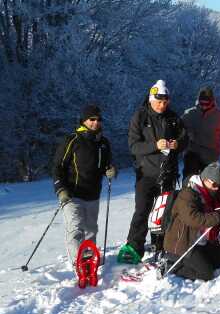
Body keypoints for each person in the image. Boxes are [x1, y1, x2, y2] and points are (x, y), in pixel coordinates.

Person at [122, 80, 188, 261]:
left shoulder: (174, 118)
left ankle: (161, 247)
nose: (162, 105)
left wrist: (177, 144)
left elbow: (185, 139)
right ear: (151, 100)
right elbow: (133, 146)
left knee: (164, 213)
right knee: (142, 211)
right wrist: (155, 145)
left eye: (165, 102)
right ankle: (134, 248)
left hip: (168, 173)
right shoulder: (140, 116)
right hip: (146, 174)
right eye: (159, 101)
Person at [52, 105, 116, 264]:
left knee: (91, 231)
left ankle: (90, 262)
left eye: (98, 120)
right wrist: (60, 189)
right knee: (75, 229)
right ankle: (78, 263)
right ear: (84, 120)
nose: (95, 122)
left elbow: (106, 165)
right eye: (92, 119)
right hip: (72, 194)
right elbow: (57, 166)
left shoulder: (104, 143)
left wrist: (111, 171)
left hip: (93, 194)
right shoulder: (72, 140)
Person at [163, 162, 220, 281]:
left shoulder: (209, 195)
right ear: (204, 180)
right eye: (214, 184)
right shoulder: (188, 194)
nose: (216, 188)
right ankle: (172, 266)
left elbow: (218, 212)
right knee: (206, 274)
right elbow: (193, 219)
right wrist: (217, 217)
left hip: (201, 241)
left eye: (218, 185)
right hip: (183, 244)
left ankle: (201, 260)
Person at [182, 86, 220, 182]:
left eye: (207, 103)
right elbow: (179, 132)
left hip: (211, 155)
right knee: (190, 182)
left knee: (211, 183)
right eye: (201, 103)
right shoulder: (189, 114)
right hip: (192, 153)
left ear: (212, 101)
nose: (204, 106)